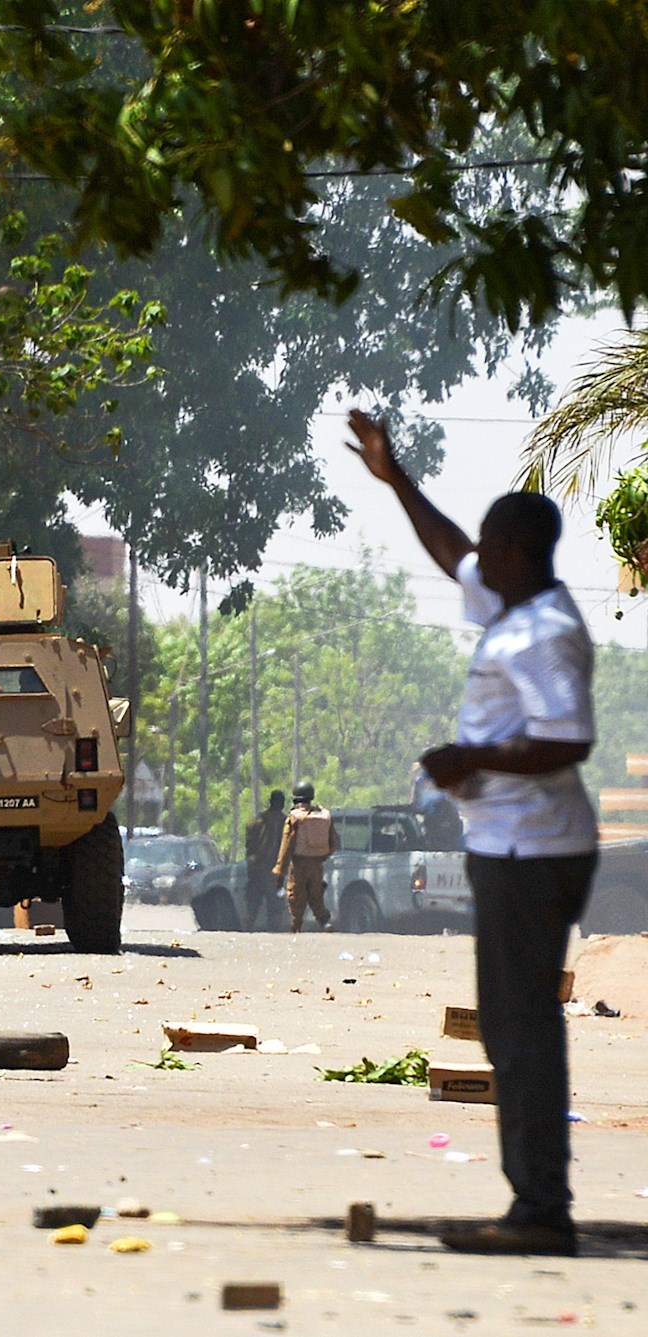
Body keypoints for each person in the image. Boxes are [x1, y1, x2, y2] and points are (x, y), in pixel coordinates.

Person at [349, 409, 596, 1257]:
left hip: (536, 847)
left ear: (520, 552)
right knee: (511, 1020)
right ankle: (536, 1200)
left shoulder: (549, 632)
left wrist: (471, 759)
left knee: (521, 1023)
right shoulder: (510, 598)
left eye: (492, 545)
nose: (476, 559)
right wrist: (395, 478)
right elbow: (448, 544)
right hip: (510, 844)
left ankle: (541, 1209)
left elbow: (571, 737)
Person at [273, 780, 339, 932]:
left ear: (295, 799)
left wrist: (280, 872)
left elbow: (286, 846)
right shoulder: (322, 816)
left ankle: (296, 927)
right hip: (317, 865)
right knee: (316, 895)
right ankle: (324, 921)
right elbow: (333, 843)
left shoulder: (294, 818)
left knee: (296, 897)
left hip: (298, 864)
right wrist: (320, 856)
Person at [243, 789, 287, 928]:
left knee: (253, 904)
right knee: (274, 906)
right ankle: (273, 933)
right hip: (273, 869)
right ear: (281, 804)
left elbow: (249, 844)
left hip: (256, 868)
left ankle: (248, 929)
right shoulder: (284, 822)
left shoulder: (257, 821)